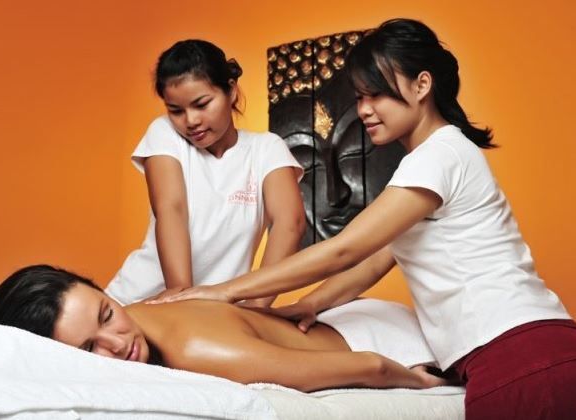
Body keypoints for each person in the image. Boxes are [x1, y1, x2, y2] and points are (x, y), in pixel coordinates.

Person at [156, 19, 576, 418]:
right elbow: (375, 261)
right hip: (522, 354)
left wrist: (222, 292)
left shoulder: (440, 155)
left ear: (422, 85)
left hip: (521, 356)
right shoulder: (433, 161)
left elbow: (346, 249)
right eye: (359, 97)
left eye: (376, 94)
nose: (364, 110)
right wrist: (310, 305)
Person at [0, 264, 447, 392]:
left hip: (385, 339)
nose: (119, 344)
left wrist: (423, 382)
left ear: (104, 292)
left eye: (106, 314)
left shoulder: (199, 354)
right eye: (88, 348)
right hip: (345, 317)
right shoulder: (137, 312)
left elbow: (370, 367)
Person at [106, 40, 305, 307]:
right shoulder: (164, 133)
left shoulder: (266, 149)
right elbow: (171, 209)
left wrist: (256, 308)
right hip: (138, 302)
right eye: (176, 111)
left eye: (201, 104)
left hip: (216, 315)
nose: (191, 121)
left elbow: (290, 223)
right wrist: (181, 295)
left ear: (231, 91)